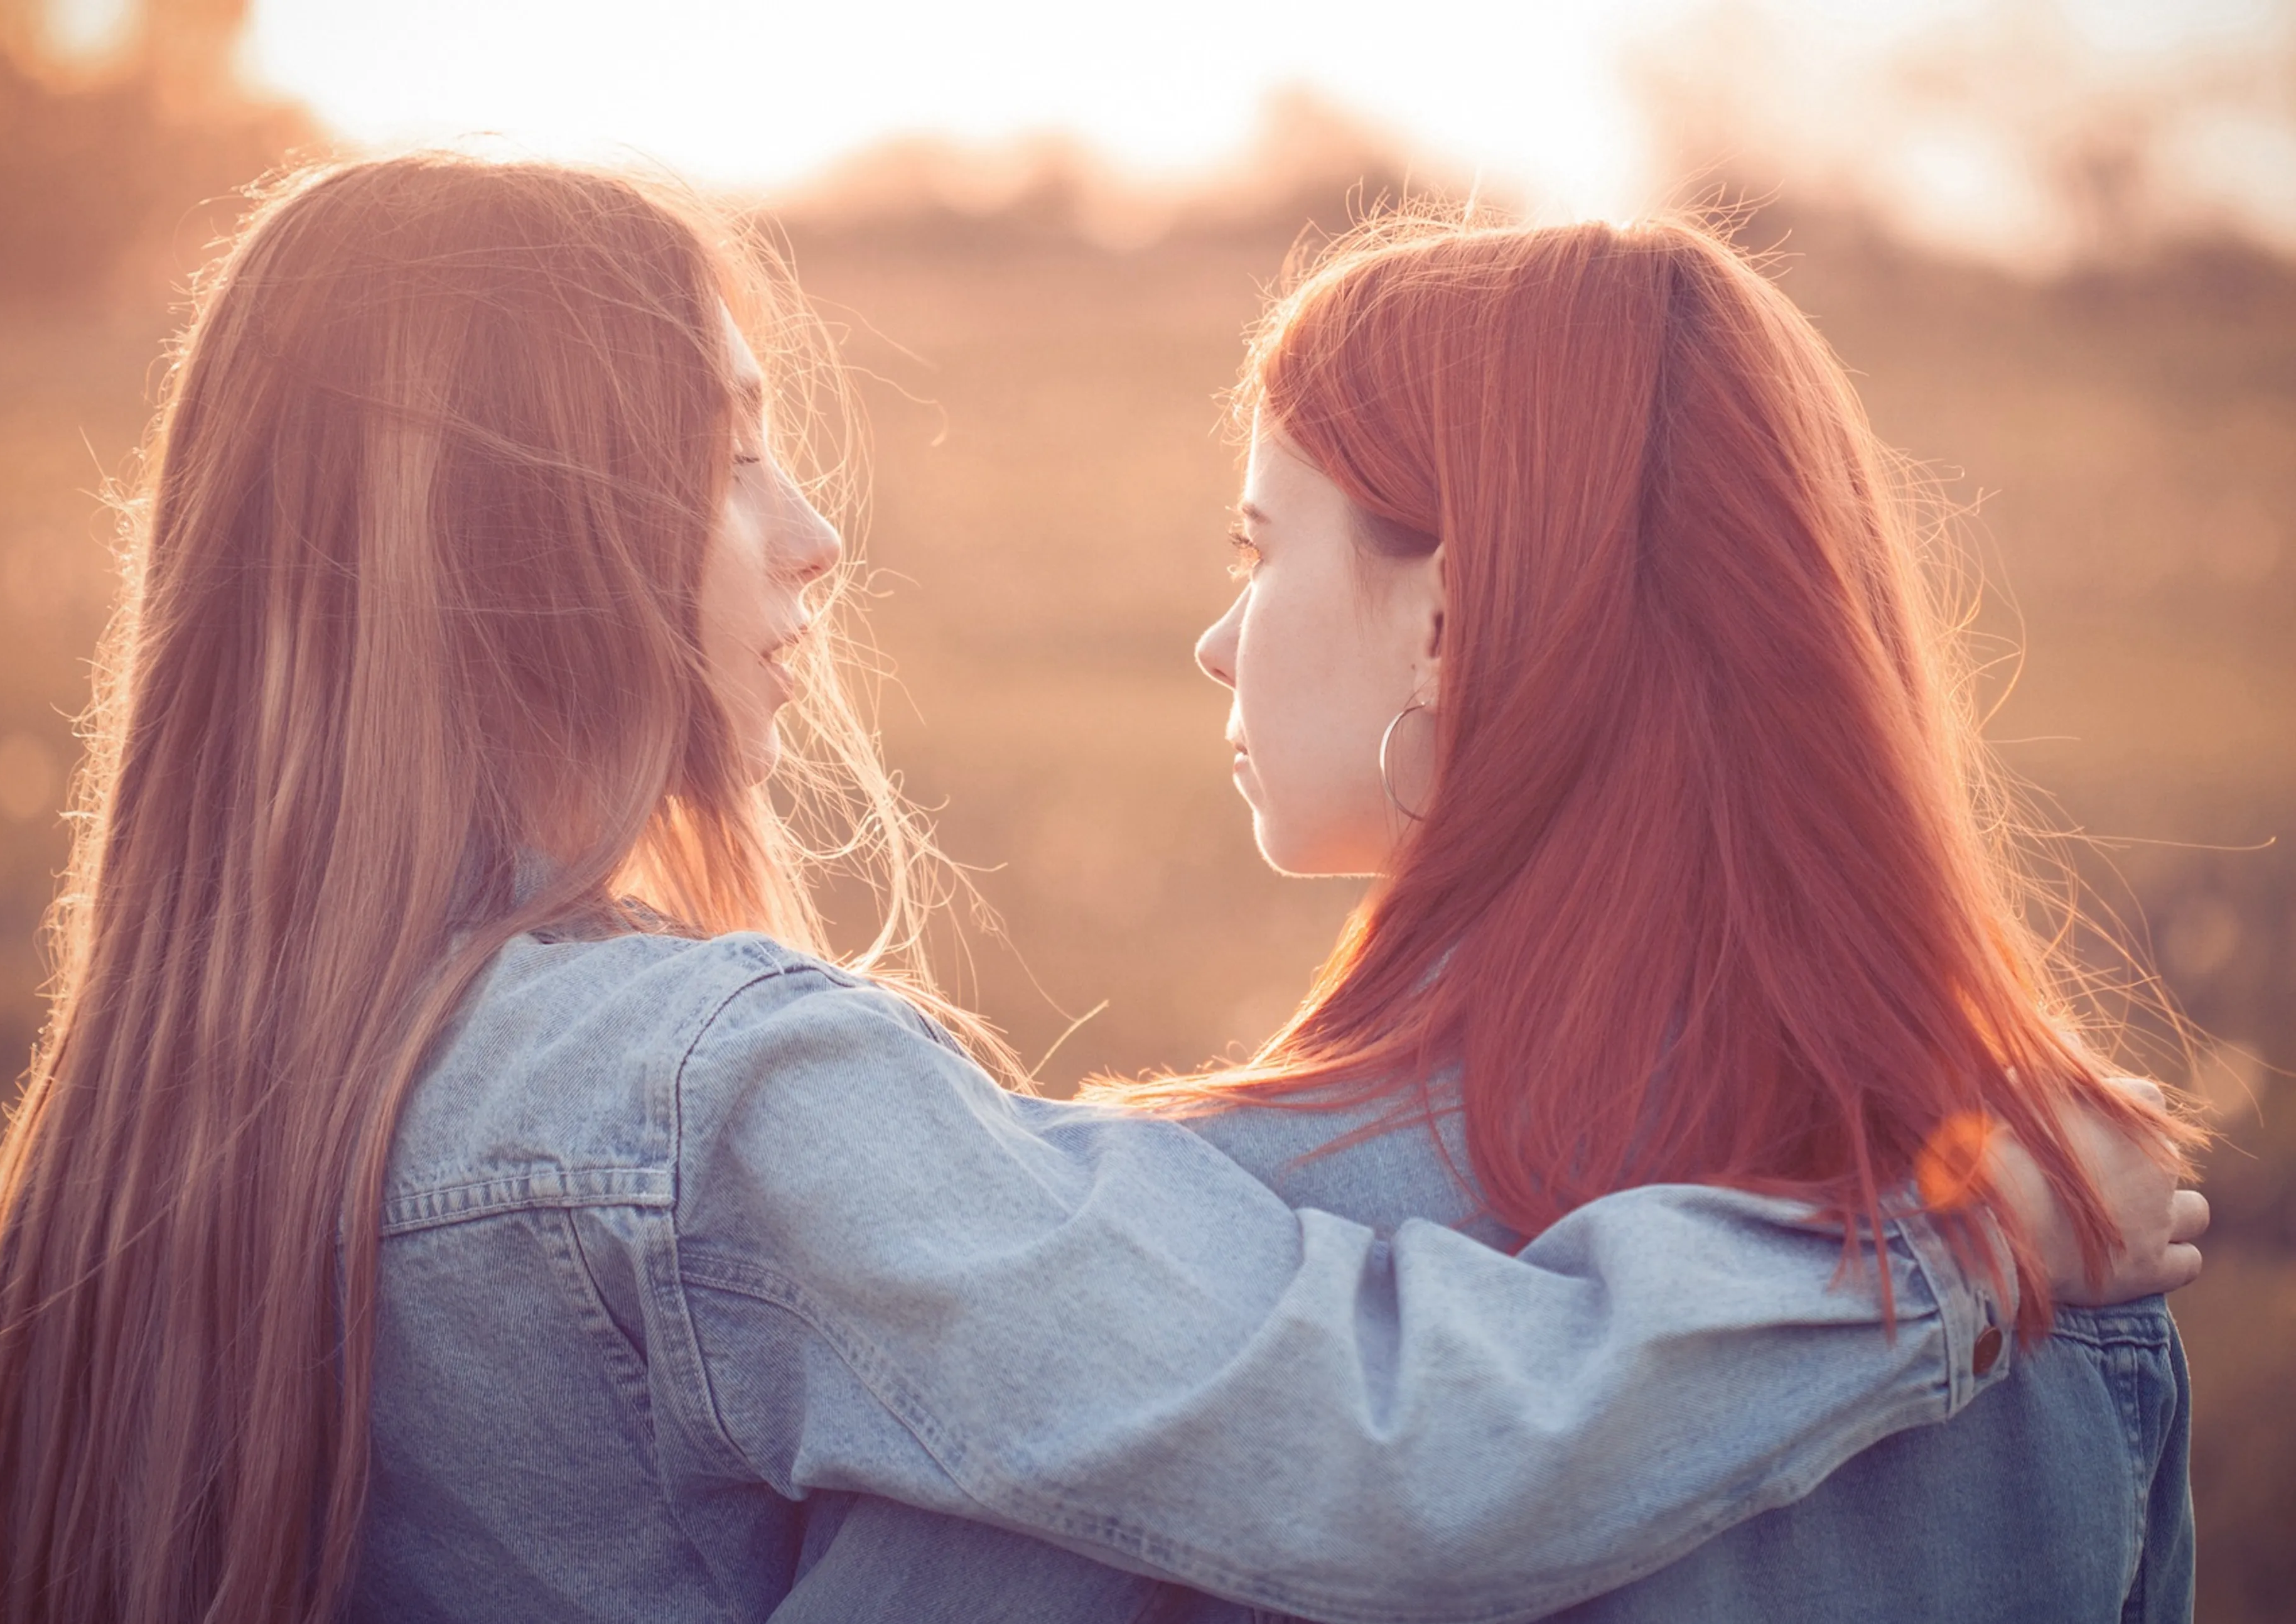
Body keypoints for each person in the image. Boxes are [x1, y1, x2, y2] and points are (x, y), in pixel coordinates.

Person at [0, 160, 2200, 1624]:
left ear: (1453, 613)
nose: (814, 536)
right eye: (723, 458)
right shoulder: (739, 1105)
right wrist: (1952, 1241)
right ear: (524, 543)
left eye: (1257, 541)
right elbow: (1388, 1444)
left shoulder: (157, 1137)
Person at [773, 215, 2211, 1622]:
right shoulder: (2065, 1225)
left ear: (1448, 623)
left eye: (1258, 549)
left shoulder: (1216, 1246)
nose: (1220, 642)